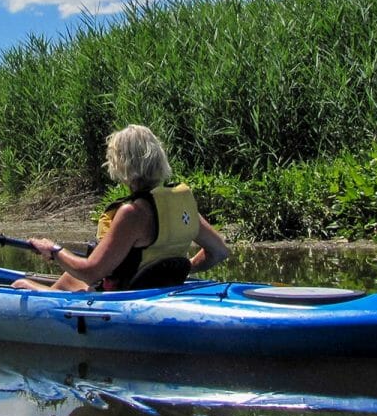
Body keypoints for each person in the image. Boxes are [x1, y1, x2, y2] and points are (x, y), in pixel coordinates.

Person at [13, 124, 229, 292]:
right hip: (162, 291)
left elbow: (91, 272)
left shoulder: (132, 213)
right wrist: (181, 269)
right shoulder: (181, 204)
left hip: (125, 298)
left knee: (20, 285)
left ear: (120, 163)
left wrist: (55, 250)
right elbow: (218, 251)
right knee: (70, 277)